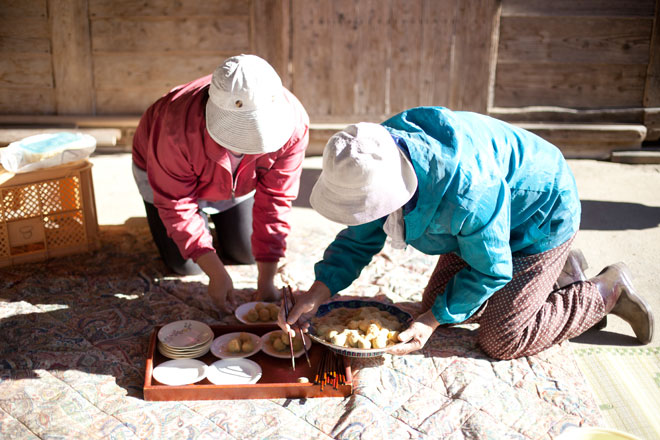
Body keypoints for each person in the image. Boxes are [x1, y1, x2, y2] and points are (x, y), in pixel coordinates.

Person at [279, 107, 654, 360]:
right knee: (438, 306)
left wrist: (432, 321)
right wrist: (318, 292)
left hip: (540, 214)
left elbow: (492, 269)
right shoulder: (373, 153)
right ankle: (562, 271)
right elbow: (360, 236)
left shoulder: (468, 191)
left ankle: (605, 290)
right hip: (478, 223)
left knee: (501, 338)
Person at [132, 54, 309, 314]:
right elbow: (176, 202)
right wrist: (215, 272)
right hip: (165, 176)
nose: (248, 147)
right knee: (185, 267)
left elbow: (276, 198)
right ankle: (195, 222)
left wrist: (266, 279)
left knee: (247, 253)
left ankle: (210, 221)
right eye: (239, 138)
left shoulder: (294, 124)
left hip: (235, 184)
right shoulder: (174, 128)